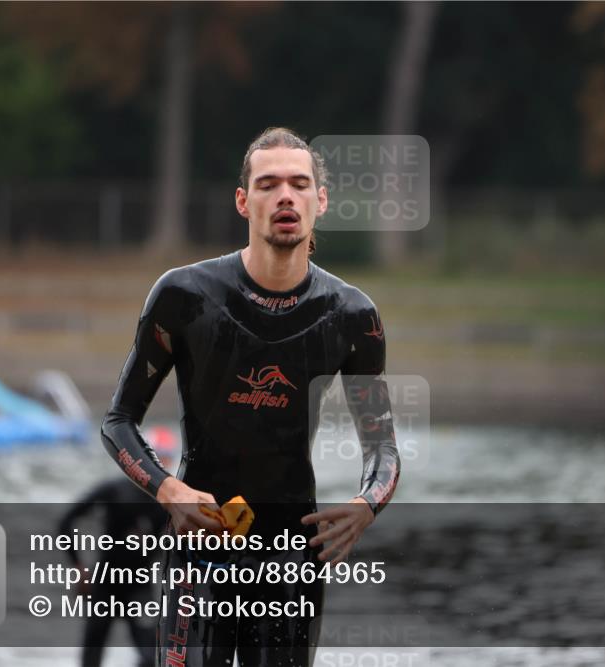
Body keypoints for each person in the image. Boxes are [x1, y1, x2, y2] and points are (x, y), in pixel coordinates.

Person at [101, 127, 400, 666]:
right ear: (244, 201)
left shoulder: (353, 316)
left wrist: (366, 505)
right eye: (268, 184)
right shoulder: (184, 295)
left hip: (291, 554)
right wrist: (169, 490)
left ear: (320, 200)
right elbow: (119, 421)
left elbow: (382, 447)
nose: (285, 195)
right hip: (201, 543)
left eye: (299, 183)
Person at [58, 428, 178, 667]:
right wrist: (78, 566)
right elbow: (67, 521)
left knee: (150, 657)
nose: (163, 465)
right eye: (159, 457)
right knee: (92, 654)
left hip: (139, 586)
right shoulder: (115, 490)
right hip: (105, 581)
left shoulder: (169, 503)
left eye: (167, 458)